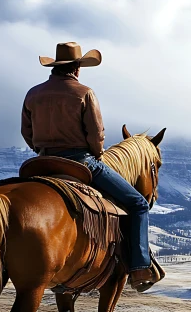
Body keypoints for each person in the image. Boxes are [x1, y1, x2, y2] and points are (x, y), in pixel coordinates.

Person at [21, 42, 159, 292]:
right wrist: (97, 153)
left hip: (41, 162)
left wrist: (41, 149)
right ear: (77, 68)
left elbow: (26, 132)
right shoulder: (84, 93)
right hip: (80, 161)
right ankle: (139, 268)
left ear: (55, 67)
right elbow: (96, 135)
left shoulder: (33, 94)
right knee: (138, 204)